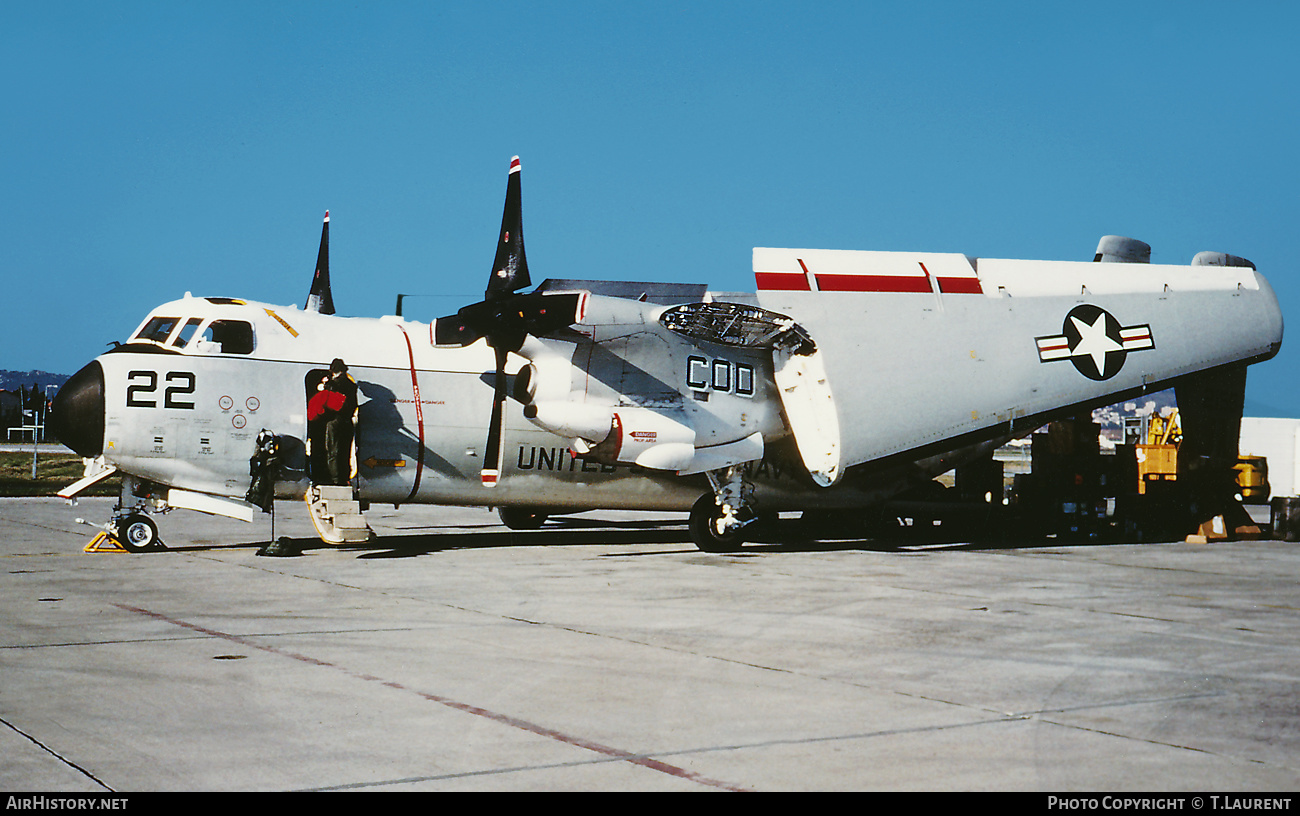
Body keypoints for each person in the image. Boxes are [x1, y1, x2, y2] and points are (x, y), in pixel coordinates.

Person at [307, 358, 357, 486]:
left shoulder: (336, 384)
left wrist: (324, 384)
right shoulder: (351, 385)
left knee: (333, 450)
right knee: (345, 451)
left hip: (335, 421)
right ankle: (344, 477)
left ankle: (334, 479)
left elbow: (331, 389)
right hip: (347, 422)